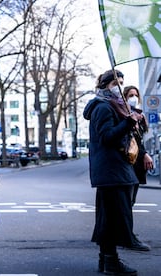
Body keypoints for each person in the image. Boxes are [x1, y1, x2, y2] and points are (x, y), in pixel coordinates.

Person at [83, 69, 140, 275]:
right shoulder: (103, 107)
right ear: (106, 84)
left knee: (109, 219)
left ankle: (107, 261)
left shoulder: (112, 105)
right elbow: (107, 136)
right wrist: (127, 123)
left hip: (113, 171)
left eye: (122, 82)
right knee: (112, 219)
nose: (120, 86)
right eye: (117, 83)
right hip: (111, 171)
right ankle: (111, 262)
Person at [123, 85, 152, 251]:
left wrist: (144, 153)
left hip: (136, 163)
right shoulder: (125, 115)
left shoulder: (140, 116)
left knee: (130, 201)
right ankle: (127, 236)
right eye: (130, 95)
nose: (133, 98)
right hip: (129, 163)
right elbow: (130, 141)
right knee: (126, 201)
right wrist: (145, 154)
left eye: (135, 95)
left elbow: (139, 141)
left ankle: (127, 233)